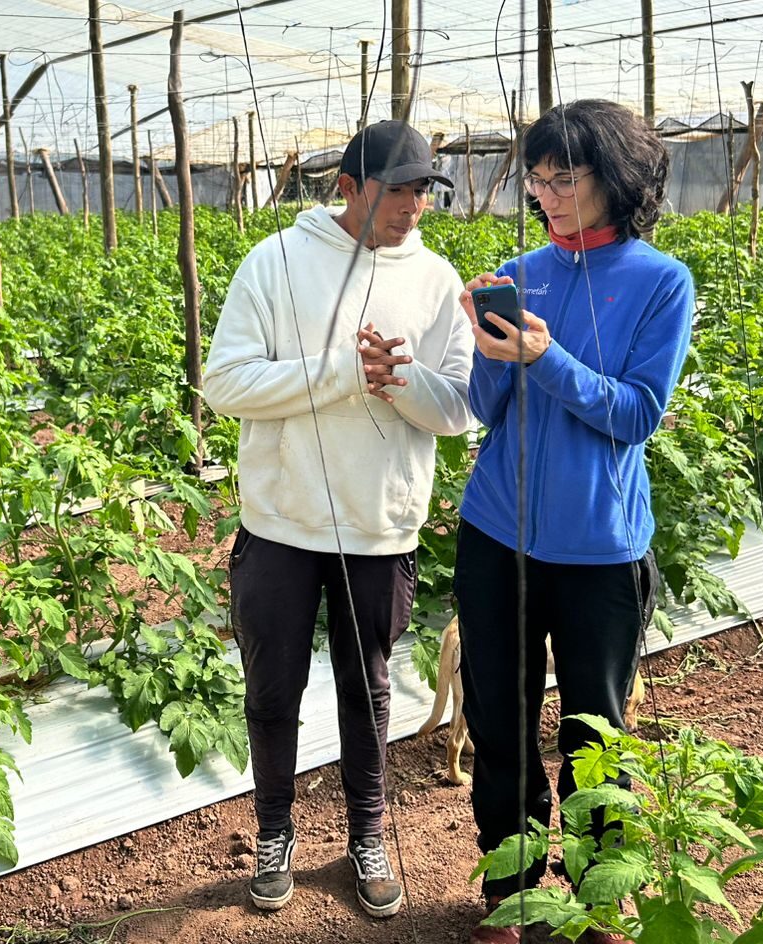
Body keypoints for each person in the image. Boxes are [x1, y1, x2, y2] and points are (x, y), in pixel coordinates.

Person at [202, 120, 476, 919]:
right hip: (281, 526)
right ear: (348, 188)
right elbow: (226, 383)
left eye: (425, 191)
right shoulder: (276, 262)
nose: (414, 207)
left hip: (377, 528)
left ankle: (367, 835)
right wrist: (341, 372)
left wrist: (398, 379)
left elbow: (460, 408)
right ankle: (274, 832)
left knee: (369, 691)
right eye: (399, 190)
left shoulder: (435, 280)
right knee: (271, 690)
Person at [452, 100, 693, 944]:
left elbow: (636, 414)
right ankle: (511, 894)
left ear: (614, 179)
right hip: (497, 535)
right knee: (500, 722)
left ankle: (593, 901)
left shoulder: (660, 281)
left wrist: (545, 356)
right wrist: (488, 347)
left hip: (598, 549)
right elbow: (487, 408)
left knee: (595, 732)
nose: (546, 196)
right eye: (537, 179)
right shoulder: (521, 271)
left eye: (565, 178)